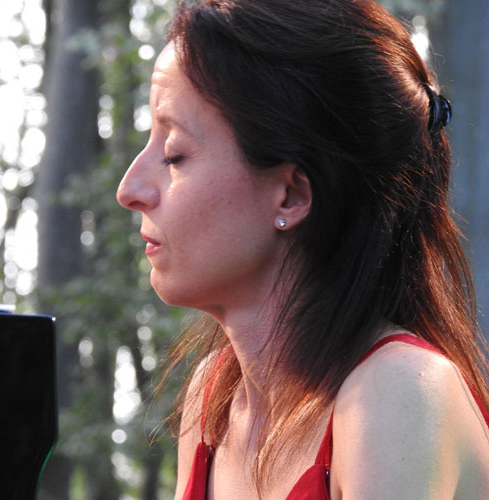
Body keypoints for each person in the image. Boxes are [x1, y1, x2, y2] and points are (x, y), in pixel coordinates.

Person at [116, 0, 489, 498]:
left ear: (291, 195)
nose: (130, 189)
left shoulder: (397, 390)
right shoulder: (215, 397)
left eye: (173, 155)